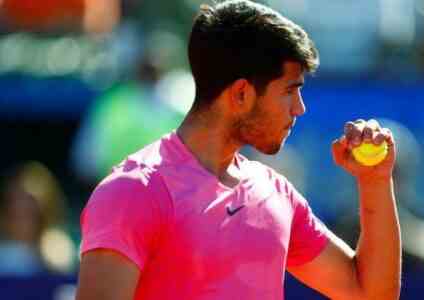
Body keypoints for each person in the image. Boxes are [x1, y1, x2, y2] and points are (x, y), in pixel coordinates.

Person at [75, 1, 401, 300]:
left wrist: (374, 181)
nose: (299, 108)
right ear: (242, 94)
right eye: (290, 91)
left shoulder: (275, 193)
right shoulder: (132, 192)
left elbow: (371, 295)